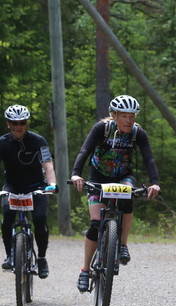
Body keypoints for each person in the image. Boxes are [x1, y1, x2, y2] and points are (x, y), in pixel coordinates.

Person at [70, 95, 161, 292]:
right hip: (98, 176)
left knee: (128, 197)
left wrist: (155, 183)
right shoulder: (101, 129)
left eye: (132, 117)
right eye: (124, 116)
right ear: (114, 116)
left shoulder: (138, 134)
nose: (129, 121)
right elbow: (84, 151)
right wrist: (76, 174)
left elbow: (149, 159)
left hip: (123, 177)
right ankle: (85, 270)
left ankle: (122, 245)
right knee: (95, 225)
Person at [0, 105, 57, 279]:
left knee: (39, 219)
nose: (19, 126)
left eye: (22, 123)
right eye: (15, 123)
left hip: (36, 186)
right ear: (8, 124)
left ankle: (41, 258)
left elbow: (47, 165)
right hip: (12, 186)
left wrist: (52, 184)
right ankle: (10, 255)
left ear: (27, 123)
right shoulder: (2, 142)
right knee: (8, 215)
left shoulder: (38, 141)